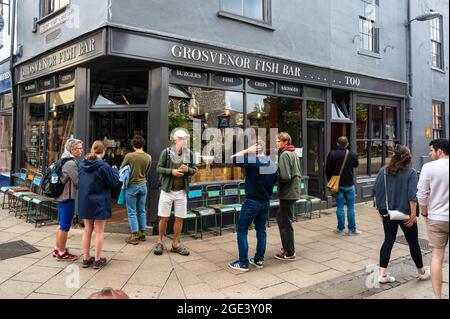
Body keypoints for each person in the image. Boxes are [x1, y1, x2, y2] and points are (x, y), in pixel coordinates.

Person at [373, 144, 430, 284]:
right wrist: (412, 215)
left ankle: (382, 274)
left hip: (387, 213)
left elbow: (376, 191)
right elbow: (412, 196)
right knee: (413, 243)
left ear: (393, 156)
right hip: (405, 214)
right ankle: (421, 272)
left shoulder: (384, 171)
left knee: (388, 240)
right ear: (407, 158)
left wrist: (379, 210)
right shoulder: (410, 172)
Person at [228, 142, 278, 272]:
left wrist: (246, 150)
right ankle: (259, 260)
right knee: (261, 231)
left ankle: (243, 263)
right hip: (265, 201)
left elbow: (232, 158)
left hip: (252, 202)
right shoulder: (272, 163)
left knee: (242, 231)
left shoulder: (252, 161)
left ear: (254, 150)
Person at [155, 129, 197, 256]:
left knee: (180, 218)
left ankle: (175, 243)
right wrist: (171, 172)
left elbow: (194, 169)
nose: (183, 141)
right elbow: (158, 168)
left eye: (185, 139)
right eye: (181, 138)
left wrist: (188, 169)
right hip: (167, 190)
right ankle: (160, 241)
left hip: (181, 191)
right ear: (175, 140)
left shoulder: (189, 153)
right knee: (164, 218)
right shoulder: (166, 152)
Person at [78, 141, 119, 269]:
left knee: (87, 229)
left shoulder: (83, 163)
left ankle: (85, 258)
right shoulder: (103, 165)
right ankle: (97, 260)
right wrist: (115, 171)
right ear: (104, 151)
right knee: (99, 231)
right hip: (99, 200)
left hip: (85, 200)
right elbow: (113, 182)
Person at [417, 139, 449, 299]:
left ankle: (438, 297)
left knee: (437, 256)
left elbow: (421, 195)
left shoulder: (428, 168)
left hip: (436, 217)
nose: (429, 154)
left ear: (440, 151)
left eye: (431, 151)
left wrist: (424, 213)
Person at [53, 138, 83, 261]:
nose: (81, 150)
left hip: (62, 197)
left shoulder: (63, 158)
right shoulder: (70, 163)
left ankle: (57, 248)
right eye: (79, 148)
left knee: (61, 224)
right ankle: (61, 252)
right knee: (65, 226)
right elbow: (78, 181)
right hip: (67, 197)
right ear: (72, 149)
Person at [274, 132, 302, 261]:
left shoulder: (285, 154)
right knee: (284, 219)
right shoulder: (293, 153)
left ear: (285, 142)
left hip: (288, 193)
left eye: (279, 141)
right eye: (277, 141)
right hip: (293, 191)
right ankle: (287, 248)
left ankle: (289, 252)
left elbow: (285, 176)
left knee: (284, 221)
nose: (276, 143)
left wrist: (274, 176)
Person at [120, 135, 152, 245]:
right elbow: (147, 171)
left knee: (132, 212)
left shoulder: (129, 156)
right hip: (143, 185)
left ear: (133, 145)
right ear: (143, 145)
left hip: (131, 186)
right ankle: (142, 233)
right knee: (142, 210)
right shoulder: (148, 157)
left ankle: (134, 235)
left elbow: (122, 168)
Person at [325, 136, 360, 236]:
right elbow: (356, 165)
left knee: (340, 207)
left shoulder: (332, 154)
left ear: (337, 144)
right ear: (347, 144)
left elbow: (327, 170)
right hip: (349, 184)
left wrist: (330, 181)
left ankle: (340, 229)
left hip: (337, 186)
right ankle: (352, 230)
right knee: (351, 207)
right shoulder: (353, 154)